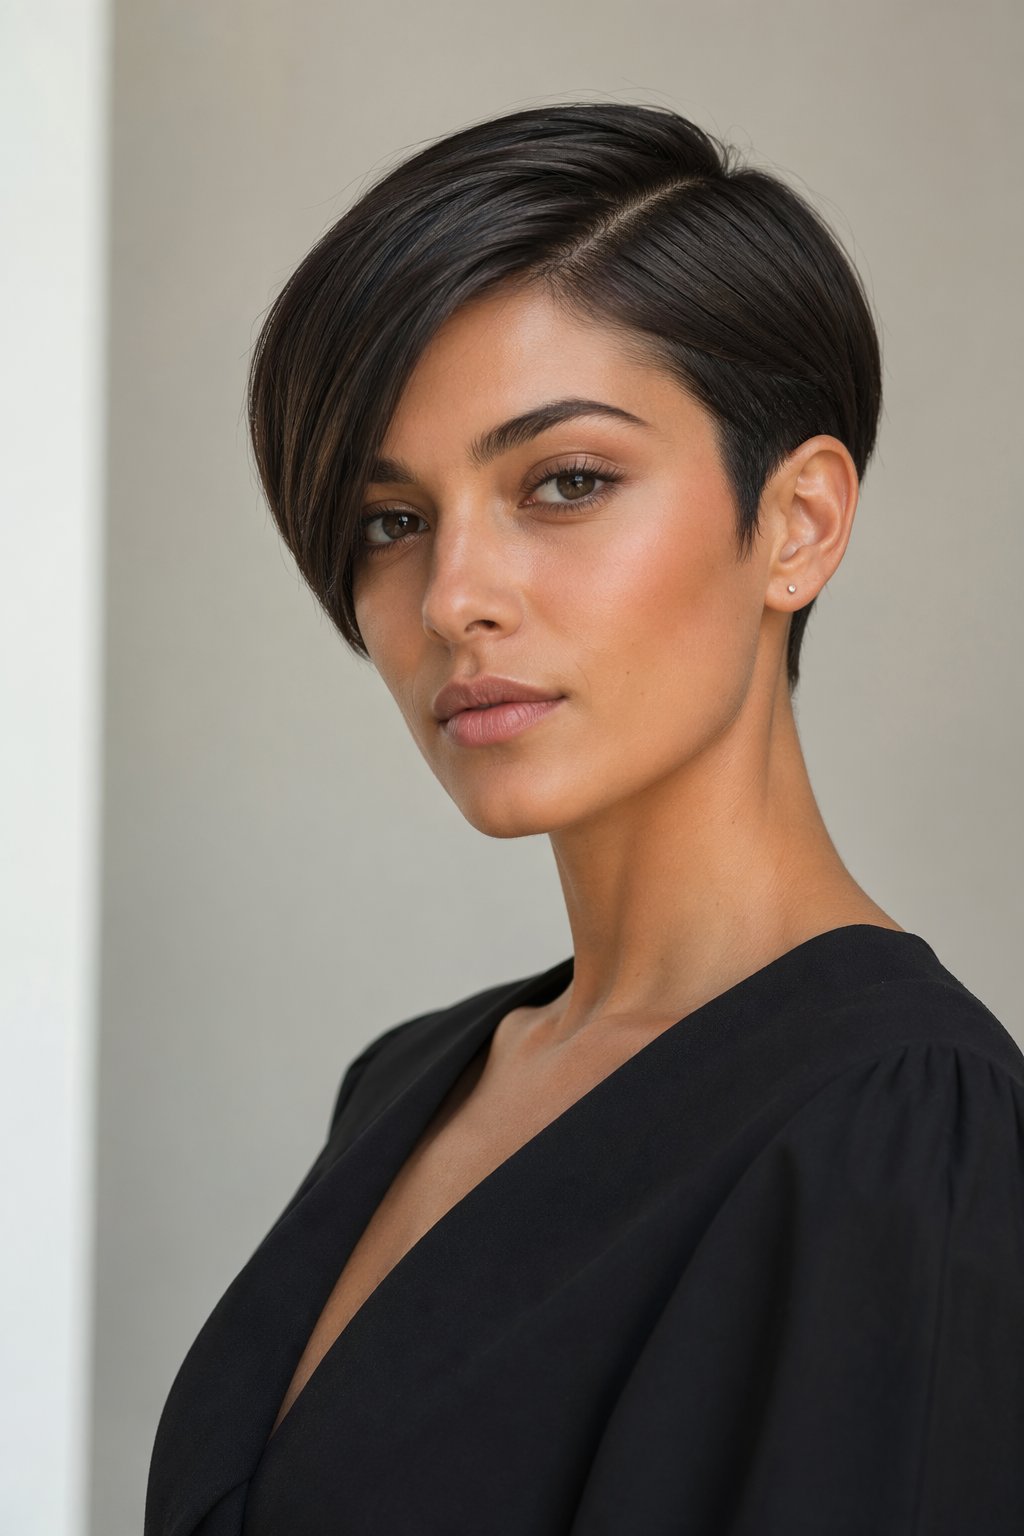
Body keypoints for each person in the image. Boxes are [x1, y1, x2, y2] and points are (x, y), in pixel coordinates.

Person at [145, 101, 1024, 1535]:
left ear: (796, 522)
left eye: (565, 483)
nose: (450, 599)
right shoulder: (409, 1086)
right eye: (391, 519)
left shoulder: (896, 1145)